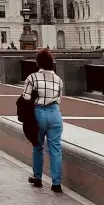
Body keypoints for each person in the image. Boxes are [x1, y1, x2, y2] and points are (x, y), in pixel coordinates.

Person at [22, 49, 65, 193]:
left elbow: (26, 98)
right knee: (55, 148)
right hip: (54, 113)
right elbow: (59, 98)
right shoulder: (59, 79)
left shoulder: (32, 78)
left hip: (38, 113)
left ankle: (38, 178)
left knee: (38, 146)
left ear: (38, 63)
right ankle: (56, 183)